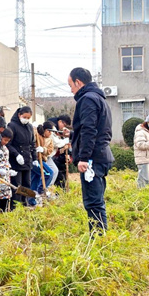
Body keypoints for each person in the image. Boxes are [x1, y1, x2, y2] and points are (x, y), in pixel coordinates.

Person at [68, 67, 114, 235]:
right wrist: (73, 135)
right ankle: (100, 236)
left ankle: (98, 240)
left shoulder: (87, 99)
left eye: (71, 85)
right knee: (97, 200)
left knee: (93, 203)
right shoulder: (99, 98)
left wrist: (84, 158)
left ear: (78, 82)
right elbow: (99, 129)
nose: (71, 90)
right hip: (102, 154)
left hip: (92, 158)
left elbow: (89, 129)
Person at [7, 107, 35, 204]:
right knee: (17, 184)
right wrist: (16, 154)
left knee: (26, 183)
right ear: (19, 115)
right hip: (16, 160)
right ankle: (15, 205)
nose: (26, 119)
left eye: (28, 118)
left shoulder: (30, 127)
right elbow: (8, 144)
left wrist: (34, 157)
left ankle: (25, 203)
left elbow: (32, 144)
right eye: (24, 117)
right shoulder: (12, 126)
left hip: (27, 159)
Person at [48, 115, 72, 188]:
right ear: (60, 121)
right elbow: (56, 143)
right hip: (48, 156)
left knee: (54, 172)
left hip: (54, 158)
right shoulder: (52, 128)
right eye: (64, 125)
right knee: (52, 173)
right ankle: (46, 189)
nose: (63, 127)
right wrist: (66, 140)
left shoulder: (58, 130)